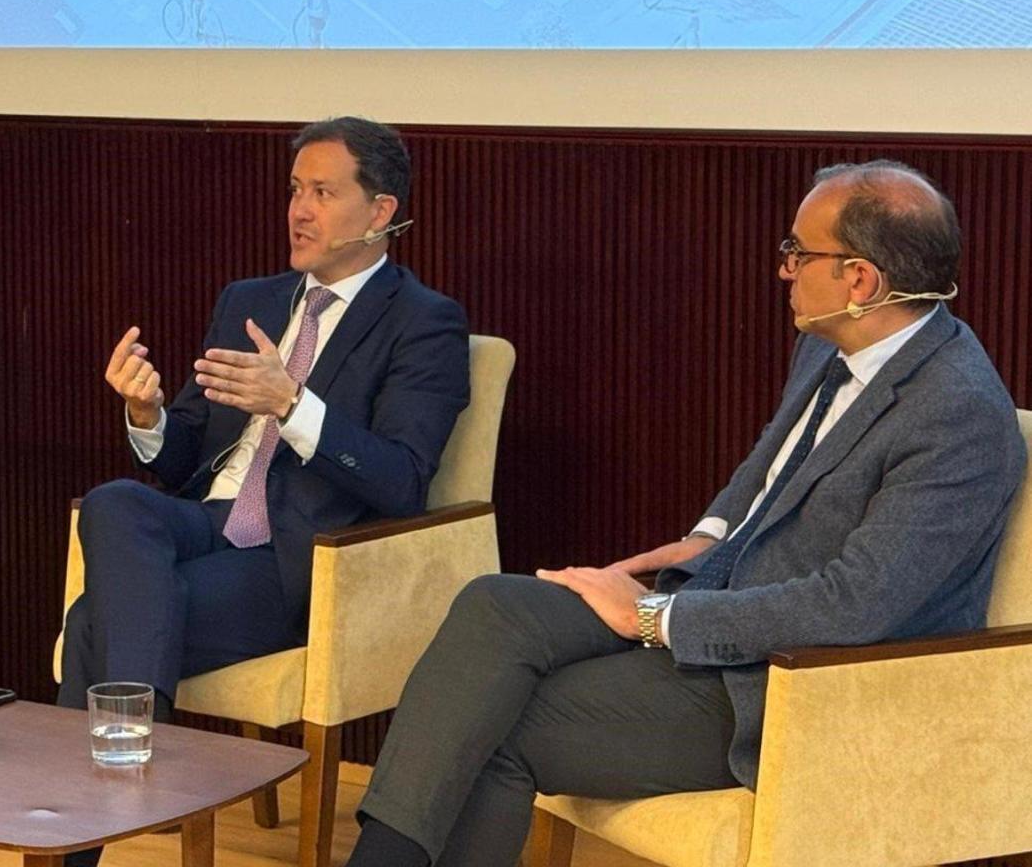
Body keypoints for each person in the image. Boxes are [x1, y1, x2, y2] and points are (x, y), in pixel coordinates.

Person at [345, 161, 1026, 867]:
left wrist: (652, 619)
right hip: (718, 602)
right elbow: (770, 462)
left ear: (860, 280)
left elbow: (855, 606)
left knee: (493, 727)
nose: (785, 270)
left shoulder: (957, 414)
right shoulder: (834, 339)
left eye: (799, 253)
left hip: (801, 690)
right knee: (496, 605)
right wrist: (707, 535)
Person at [57, 117, 470, 864]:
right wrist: (145, 414)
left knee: (94, 622)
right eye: (294, 190)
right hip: (205, 522)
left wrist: (293, 404)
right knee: (118, 500)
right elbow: (181, 454)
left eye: (322, 192)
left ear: (381, 212)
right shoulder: (250, 297)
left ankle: (80, 830)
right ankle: (142, 743)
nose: (298, 211)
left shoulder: (424, 322)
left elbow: (403, 480)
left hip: (300, 562)